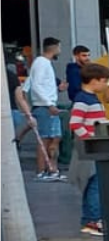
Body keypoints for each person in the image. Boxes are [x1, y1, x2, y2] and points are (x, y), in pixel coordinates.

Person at [66, 62, 109, 236]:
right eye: (104, 81)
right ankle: (94, 219)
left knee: (93, 183)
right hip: (91, 147)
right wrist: (90, 139)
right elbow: (75, 123)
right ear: (94, 81)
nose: (106, 85)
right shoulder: (83, 100)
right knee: (94, 184)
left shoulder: (89, 98)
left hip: (93, 146)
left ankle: (90, 218)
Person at [27, 37, 63, 178]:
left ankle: (52, 169)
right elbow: (37, 85)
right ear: (54, 48)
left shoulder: (44, 63)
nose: (60, 50)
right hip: (45, 107)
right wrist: (48, 103)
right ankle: (42, 170)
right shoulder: (42, 63)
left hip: (48, 105)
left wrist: (57, 89)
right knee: (45, 139)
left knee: (55, 137)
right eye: (59, 47)